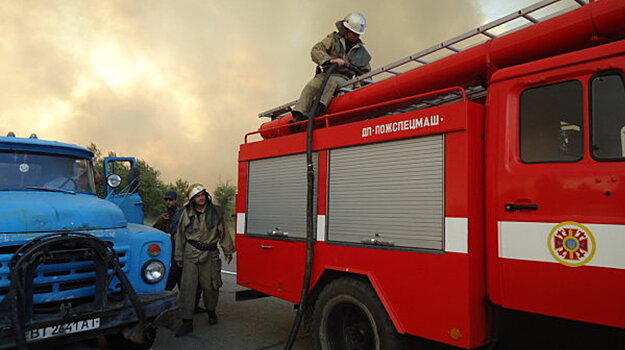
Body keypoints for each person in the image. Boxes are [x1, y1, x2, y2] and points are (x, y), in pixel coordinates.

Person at [174, 184, 234, 337]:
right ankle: (187, 321)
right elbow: (180, 235)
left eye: (202, 195)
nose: (201, 198)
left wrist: (227, 250)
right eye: (197, 196)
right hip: (190, 254)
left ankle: (211, 311)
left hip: (210, 255)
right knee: (188, 289)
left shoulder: (216, 212)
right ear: (192, 199)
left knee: (211, 287)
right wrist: (178, 256)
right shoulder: (186, 213)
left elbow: (224, 232)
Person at [291, 12, 372, 122]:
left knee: (332, 81)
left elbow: (366, 75)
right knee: (312, 85)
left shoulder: (361, 52)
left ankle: (316, 112)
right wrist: (329, 60)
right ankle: (298, 116)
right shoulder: (333, 39)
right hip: (326, 73)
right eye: (354, 33)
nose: (356, 36)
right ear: (346, 30)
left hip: (344, 79)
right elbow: (316, 50)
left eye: (358, 34)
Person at [153, 191, 181, 290]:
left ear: (175, 200)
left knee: (177, 277)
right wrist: (163, 220)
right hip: (167, 249)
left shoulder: (181, 215)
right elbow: (155, 231)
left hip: (178, 250)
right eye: (167, 200)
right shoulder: (164, 216)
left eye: (171, 200)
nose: (168, 202)